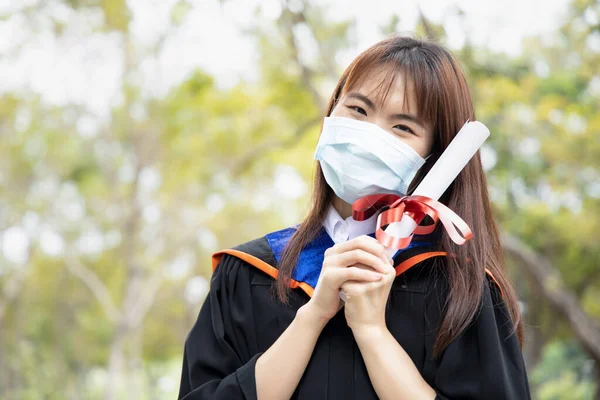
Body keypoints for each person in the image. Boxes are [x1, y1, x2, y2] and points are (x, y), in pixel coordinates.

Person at [178, 36, 531, 400]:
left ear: (435, 156)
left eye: (403, 127)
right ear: (331, 113)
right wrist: (313, 316)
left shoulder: (459, 289)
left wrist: (372, 331)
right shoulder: (248, 273)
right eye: (359, 111)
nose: (370, 135)